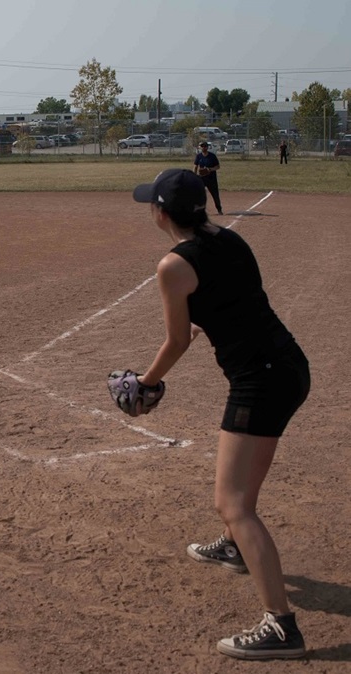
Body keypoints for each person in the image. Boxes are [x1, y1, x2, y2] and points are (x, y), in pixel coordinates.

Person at [131, 168, 311, 660]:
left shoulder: (173, 264)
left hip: (261, 380)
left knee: (232, 502)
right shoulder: (230, 241)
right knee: (240, 494)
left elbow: (179, 338)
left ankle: (281, 627)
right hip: (288, 365)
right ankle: (234, 547)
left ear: (162, 213)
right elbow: (221, 313)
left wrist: (146, 385)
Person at [193, 141, 222, 215]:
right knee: (200, 195)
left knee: (215, 194)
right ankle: (199, 210)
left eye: (205, 146)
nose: (203, 147)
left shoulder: (212, 156)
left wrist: (210, 169)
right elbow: (195, 166)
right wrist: (194, 176)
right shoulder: (199, 156)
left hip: (211, 179)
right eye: (202, 146)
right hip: (202, 179)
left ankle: (219, 209)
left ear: (207, 147)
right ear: (200, 147)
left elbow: (217, 166)